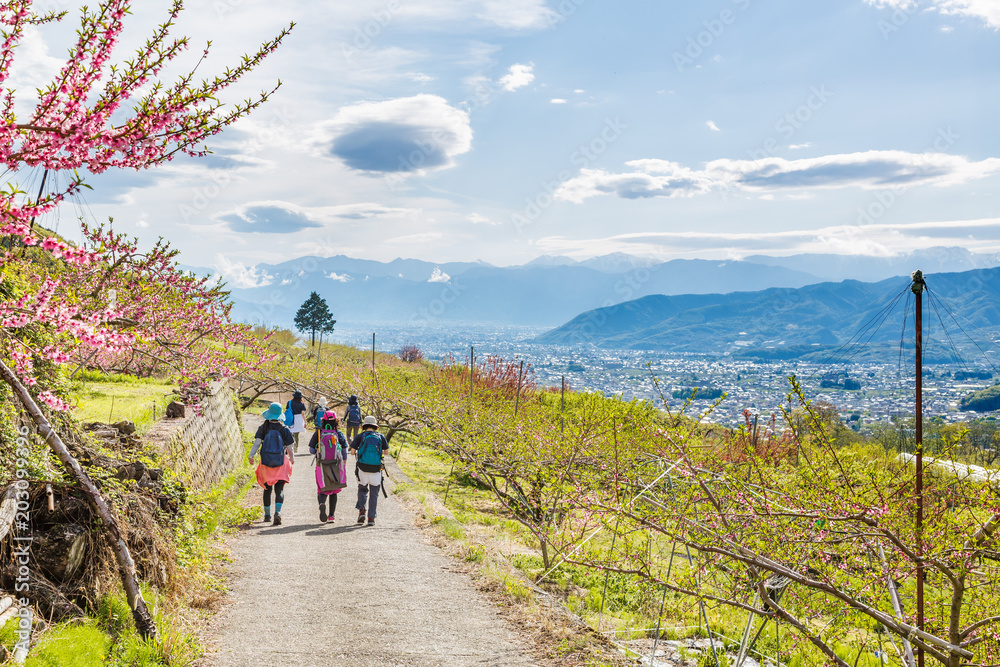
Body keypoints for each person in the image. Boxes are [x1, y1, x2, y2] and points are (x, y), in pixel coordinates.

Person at [249, 402, 295, 525]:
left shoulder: (263, 428)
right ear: (280, 415)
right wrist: (292, 459)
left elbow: (257, 443)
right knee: (279, 489)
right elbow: (290, 447)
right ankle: (278, 512)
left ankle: (267, 515)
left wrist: (251, 455)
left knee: (267, 489)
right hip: (281, 462)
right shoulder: (284, 430)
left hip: (266, 462)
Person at [350, 415, 388, 527]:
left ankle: (362, 511)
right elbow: (386, 452)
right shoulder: (380, 436)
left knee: (362, 490)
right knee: (374, 494)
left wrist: (360, 453)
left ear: (364, 426)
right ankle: (371, 518)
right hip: (376, 469)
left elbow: (352, 452)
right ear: (375, 426)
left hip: (362, 468)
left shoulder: (360, 436)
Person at [310, 411, 348, 523]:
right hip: (336, 464)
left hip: (321, 464)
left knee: (322, 487)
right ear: (336, 421)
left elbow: (311, 450)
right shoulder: (338, 433)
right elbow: (345, 451)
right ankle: (331, 516)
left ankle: (322, 504)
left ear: (323, 420)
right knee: (334, 489)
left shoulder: (318, 433)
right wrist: (344, 464)